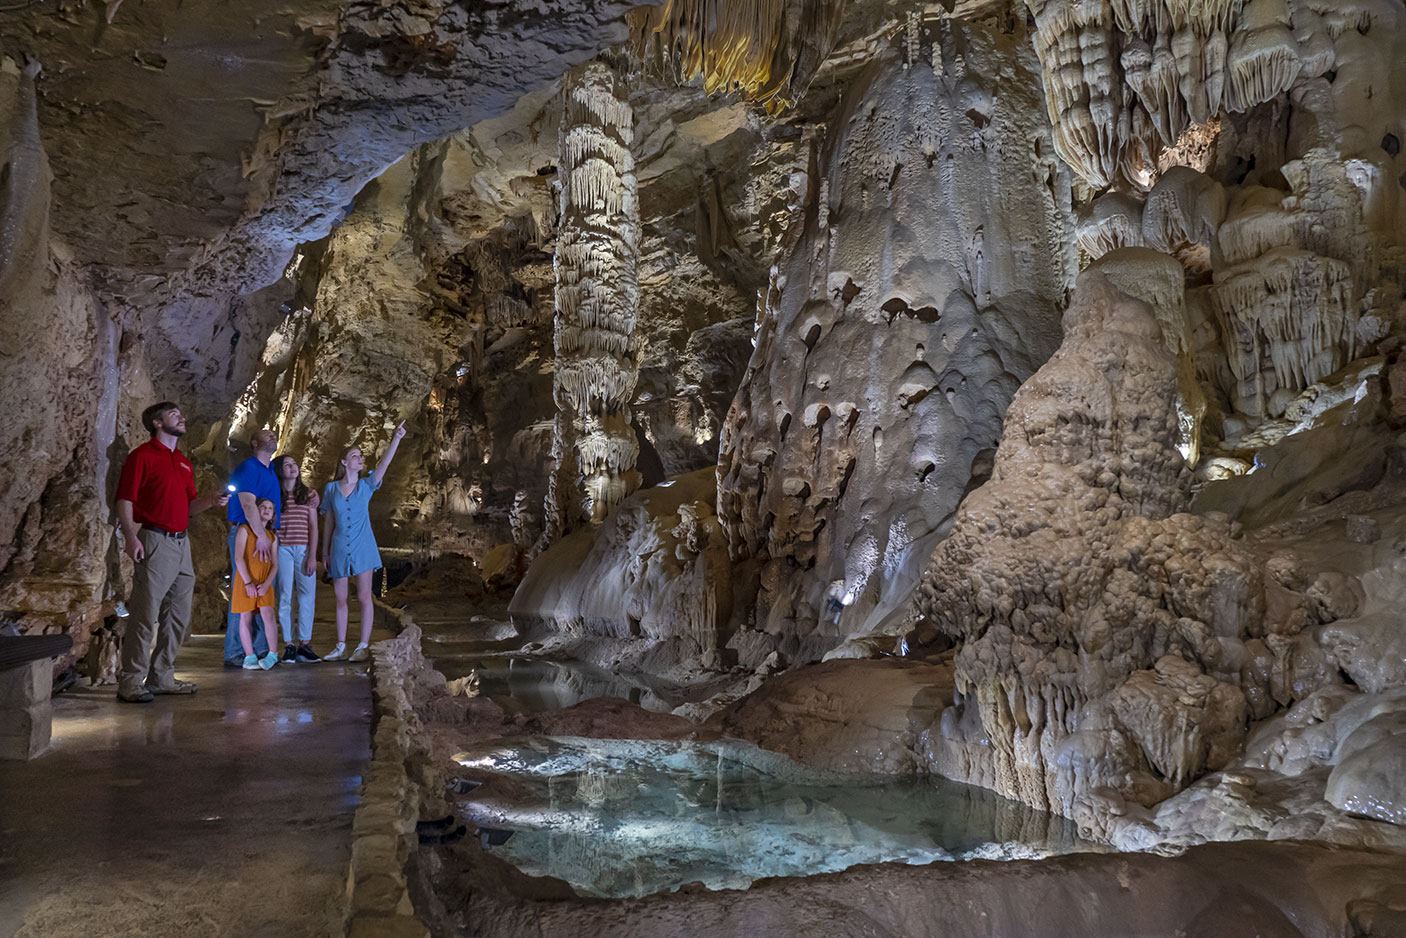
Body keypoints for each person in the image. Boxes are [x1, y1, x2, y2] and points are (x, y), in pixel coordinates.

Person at [114, 402, 229, 703]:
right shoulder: (142, 456)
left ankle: (161, 675)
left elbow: (190, 507)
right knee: (145, 612)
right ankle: (131, 681)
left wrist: (211, 501)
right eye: (175, 414)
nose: (183, 416)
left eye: (182, 412)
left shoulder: (183, 463)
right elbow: (125, 499)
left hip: (182, 543)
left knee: (178, 614)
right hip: (155, 539)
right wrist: (130, 536)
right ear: (157, 422)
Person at [320, 422, 407, 662]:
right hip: (338, 547)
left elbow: (384, 465)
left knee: (364, 596)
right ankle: (340, 646)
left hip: (363, 547)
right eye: (355, 455)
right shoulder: (331, 489)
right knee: (340, 598)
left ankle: (362, 644)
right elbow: (328, 522)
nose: (360, 458)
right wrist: (324, 552)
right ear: (344, 463)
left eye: (360, 456)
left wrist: (396, 439)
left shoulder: (366, 486)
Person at [223, 429, 282, 667]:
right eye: (266, 435)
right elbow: (247, 504)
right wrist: (260, 535)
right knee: (243, 593)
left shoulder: (269, 472)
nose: (273, 436)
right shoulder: (249, 468)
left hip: (264, 534)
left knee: (262, 594)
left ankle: (260, 650)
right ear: (254, 442)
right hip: (249, 534)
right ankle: (237, 652)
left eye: (274, 434)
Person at [272, 454, 321, 663]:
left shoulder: (308, 494)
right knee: (284, 594)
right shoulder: (275, 495)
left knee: (306, 595)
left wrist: (312, 555)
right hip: (282, 548)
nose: (292, 467)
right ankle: (289, 644)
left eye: (294, 464)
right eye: (286, 465)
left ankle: (305, 643)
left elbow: (313, 527)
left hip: (303, 549)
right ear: (279, 471)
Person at [232, 497, 281, 670]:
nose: (267, 510)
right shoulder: (244, 530)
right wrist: (248, 582)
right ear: (255, 510)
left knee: (268, 615)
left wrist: (267, 584)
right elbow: (238, 558)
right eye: (263, 507)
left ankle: (273, 653)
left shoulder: (272, 537)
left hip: (264, 581)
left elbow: (275, 564)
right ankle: (249, 655)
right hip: (246, 580)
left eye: (270, 508)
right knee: (245, 616)